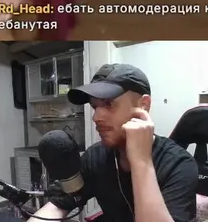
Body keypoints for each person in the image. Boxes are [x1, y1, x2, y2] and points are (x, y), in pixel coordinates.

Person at [33, 64, 198, 222]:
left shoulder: (179, 165)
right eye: (94, 107)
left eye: (108, 104)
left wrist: (141, 162)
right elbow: (57, 205)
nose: (96, 117)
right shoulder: (95, 157)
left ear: (143, 105)